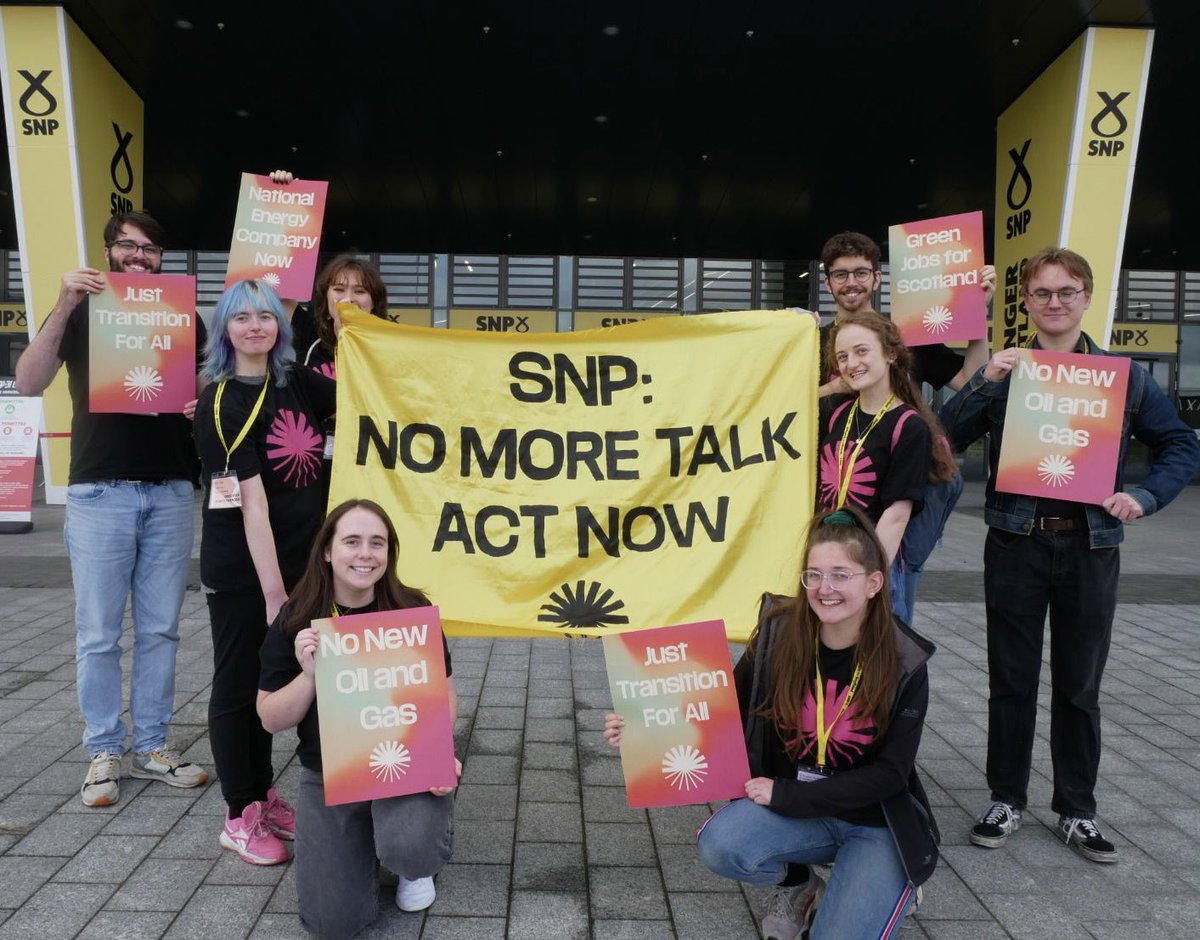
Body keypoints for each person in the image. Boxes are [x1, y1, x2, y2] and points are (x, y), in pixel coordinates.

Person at [940, 246, 1200, 863]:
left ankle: (1077, 808)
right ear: (1026, 302)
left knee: (1080, 685)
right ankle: (1006, 798)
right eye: (1042, 292)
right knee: (1011, 681)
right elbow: (943, 436)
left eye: (1066, 291)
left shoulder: (1124, 377)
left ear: (1086, 297)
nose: (1054, 302)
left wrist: (1145, 495)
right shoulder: (1009, 371)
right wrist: (984, 380)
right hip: (1015, 543)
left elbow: (1180, 444)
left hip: (1091, 546)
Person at [604, 507, 938, 940]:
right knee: (721, 845)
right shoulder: (779, 634)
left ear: (874, 583)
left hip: (872, 821)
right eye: (814, 575)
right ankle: (800, 884)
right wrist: (644, 725)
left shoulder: (905, 660)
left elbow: (891, 775)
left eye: (841, 575)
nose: (824, 588)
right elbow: (721, 709)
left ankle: (883, 881)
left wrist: (786, 793)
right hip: (799, 810)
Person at [14, 211, 209, 806]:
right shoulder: (81, 310)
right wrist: (64, 301)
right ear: (107, 252)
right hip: (100, 491)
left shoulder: (182, 314)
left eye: (149, 249)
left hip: (171, 489)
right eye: (127, 245)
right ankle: (103, 748)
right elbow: (28, 381)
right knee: (98, 633)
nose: (138, 256)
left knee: (160, 630)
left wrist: (200, 401)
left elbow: (208, 386)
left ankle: (151, 745)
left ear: (161, 259)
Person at [258, 499, 459, 938]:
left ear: (389, 553)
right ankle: (360, 847)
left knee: (411, 847)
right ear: (327, 551)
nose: (365, 554)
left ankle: (412, 864)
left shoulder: (410, 610)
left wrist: (440, 753)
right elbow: (270, 718)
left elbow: (445, 694)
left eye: (377, 543)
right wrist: (309, 676)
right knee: (333, 922)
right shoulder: (297, 617)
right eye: (352, 541)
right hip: (331, 774)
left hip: (404, 766)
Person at [193, 279, 336, 864]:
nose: (255, 326)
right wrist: (277, 596)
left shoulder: (294, 382)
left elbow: (367, 390)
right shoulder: (220, 402)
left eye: (266, 316)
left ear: (281, 325)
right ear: (224, 330)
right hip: (244, 574)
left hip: (301, 567)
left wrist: (352, 322)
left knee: (271, 680)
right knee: (237, 685)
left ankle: (264, 795)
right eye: (241, 317)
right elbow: (250, 506)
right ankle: (239, 813)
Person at [817, 231, 996, 619]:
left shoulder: (907, 335)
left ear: (877, 278)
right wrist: (835, 386)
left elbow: (971, 382)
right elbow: (788, 407)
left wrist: (976, 315)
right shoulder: (810, 343)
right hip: (834, 501)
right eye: (841, 274)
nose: (851, 282)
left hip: (904, 498)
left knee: (892, 608)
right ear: (827, 281)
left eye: (861, 272)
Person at [820, 310, 958, 623]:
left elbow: (896, 516)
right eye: (842, 356)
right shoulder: (836, 412)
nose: (851, 363)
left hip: (869, 566)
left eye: (861, 351)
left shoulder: (909, 426)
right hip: (826, 557)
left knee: (874, 651)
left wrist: (865, 578)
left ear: (891, 355)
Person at [303, 253, 390, 378]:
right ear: (326, 298)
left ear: (373, 303)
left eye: (359, 291)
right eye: (339, 289)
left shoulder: (390, 348)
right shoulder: (310, 340)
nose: (348, 299)